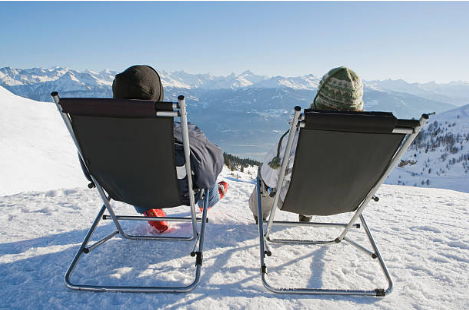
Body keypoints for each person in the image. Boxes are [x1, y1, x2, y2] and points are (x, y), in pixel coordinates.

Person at [81, 65, 228, 233]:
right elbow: (210, 163)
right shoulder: (180, 133)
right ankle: (207, 203)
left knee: (133, 174)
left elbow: (90, 169)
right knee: (206, 176)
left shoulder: (99, 136)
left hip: (128, 190)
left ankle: (148, 208)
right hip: (178, 193)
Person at [248, 66, 364, 223]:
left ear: (321, 98)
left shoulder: (302, 137)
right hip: (345, 200)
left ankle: (260, 214)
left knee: (265, 175)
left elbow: (271, 177)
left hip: (297, 198)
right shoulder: (370, 138)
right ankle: (307, 213)